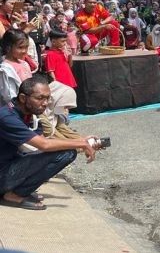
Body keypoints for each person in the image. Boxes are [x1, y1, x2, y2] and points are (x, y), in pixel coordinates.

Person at [0, 76, 96, 210]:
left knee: (62, 152)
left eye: (47, 98)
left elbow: (46, 142)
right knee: (66, 154)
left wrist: (81, 141)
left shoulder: (29, 114)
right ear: (23, 98)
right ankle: (14, 195)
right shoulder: (6, 117)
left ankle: (16, 189)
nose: (45, 103)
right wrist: (81, 144)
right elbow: (43, 145)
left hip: (8, 164)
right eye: (40, 98)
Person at [0, 30, 38, 103]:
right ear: (8, 47)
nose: (24, 51)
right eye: (20, 47)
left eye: (26, 47)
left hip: (29, 104)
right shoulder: (5, 69)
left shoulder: (24, 64)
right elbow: (8, 95)